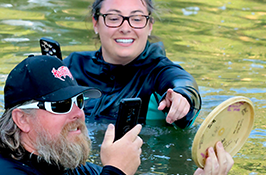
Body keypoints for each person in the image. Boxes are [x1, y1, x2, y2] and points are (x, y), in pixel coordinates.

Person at [0, 55, 233, 175]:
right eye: (60, 105)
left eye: (79, 101)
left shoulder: (81, 173)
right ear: (22, 119)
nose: (78, 113)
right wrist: (114, 173)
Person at [63, 0, 201, 128]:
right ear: (95, 23)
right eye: (113, 18)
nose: (125, 28)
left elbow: (183, 82)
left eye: (136, 19)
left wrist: (184, 97)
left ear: (150, 25)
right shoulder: (74, 65)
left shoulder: (158, 72)